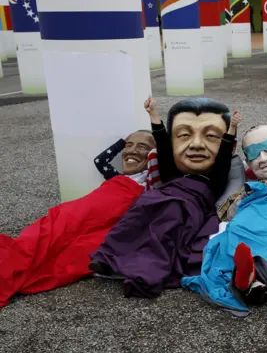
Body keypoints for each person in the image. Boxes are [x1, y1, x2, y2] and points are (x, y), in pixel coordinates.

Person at [89, 97, 241, 299]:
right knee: (135, 215)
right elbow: (162, 144)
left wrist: (232, 128)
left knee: (165, 228)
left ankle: (144, 277)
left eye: (211, 136)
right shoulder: (171, 172)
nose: (196, 145)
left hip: (188, 205)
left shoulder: (216, 177)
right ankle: (107, 258)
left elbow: (223, 154)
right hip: (162, 197)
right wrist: (153, 115)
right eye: (184, 135)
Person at [0, 131, 159, 307]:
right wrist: (124, 143)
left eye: (142, 147)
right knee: (38, 239)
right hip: (73, 214)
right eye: (130, 145)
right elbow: (100, 160)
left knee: (69, 256)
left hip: (101, 224)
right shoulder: (116, 176)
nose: (133, 151)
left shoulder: (152, 186)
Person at [182, 124, 267, 315]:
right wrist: (246, 196)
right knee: (231, 237)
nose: (263, 158)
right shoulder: (248, 187)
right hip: (245, 220)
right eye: (254, 154)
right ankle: (249, 281)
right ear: (248, 162)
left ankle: (251, 278)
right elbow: (228, 213)